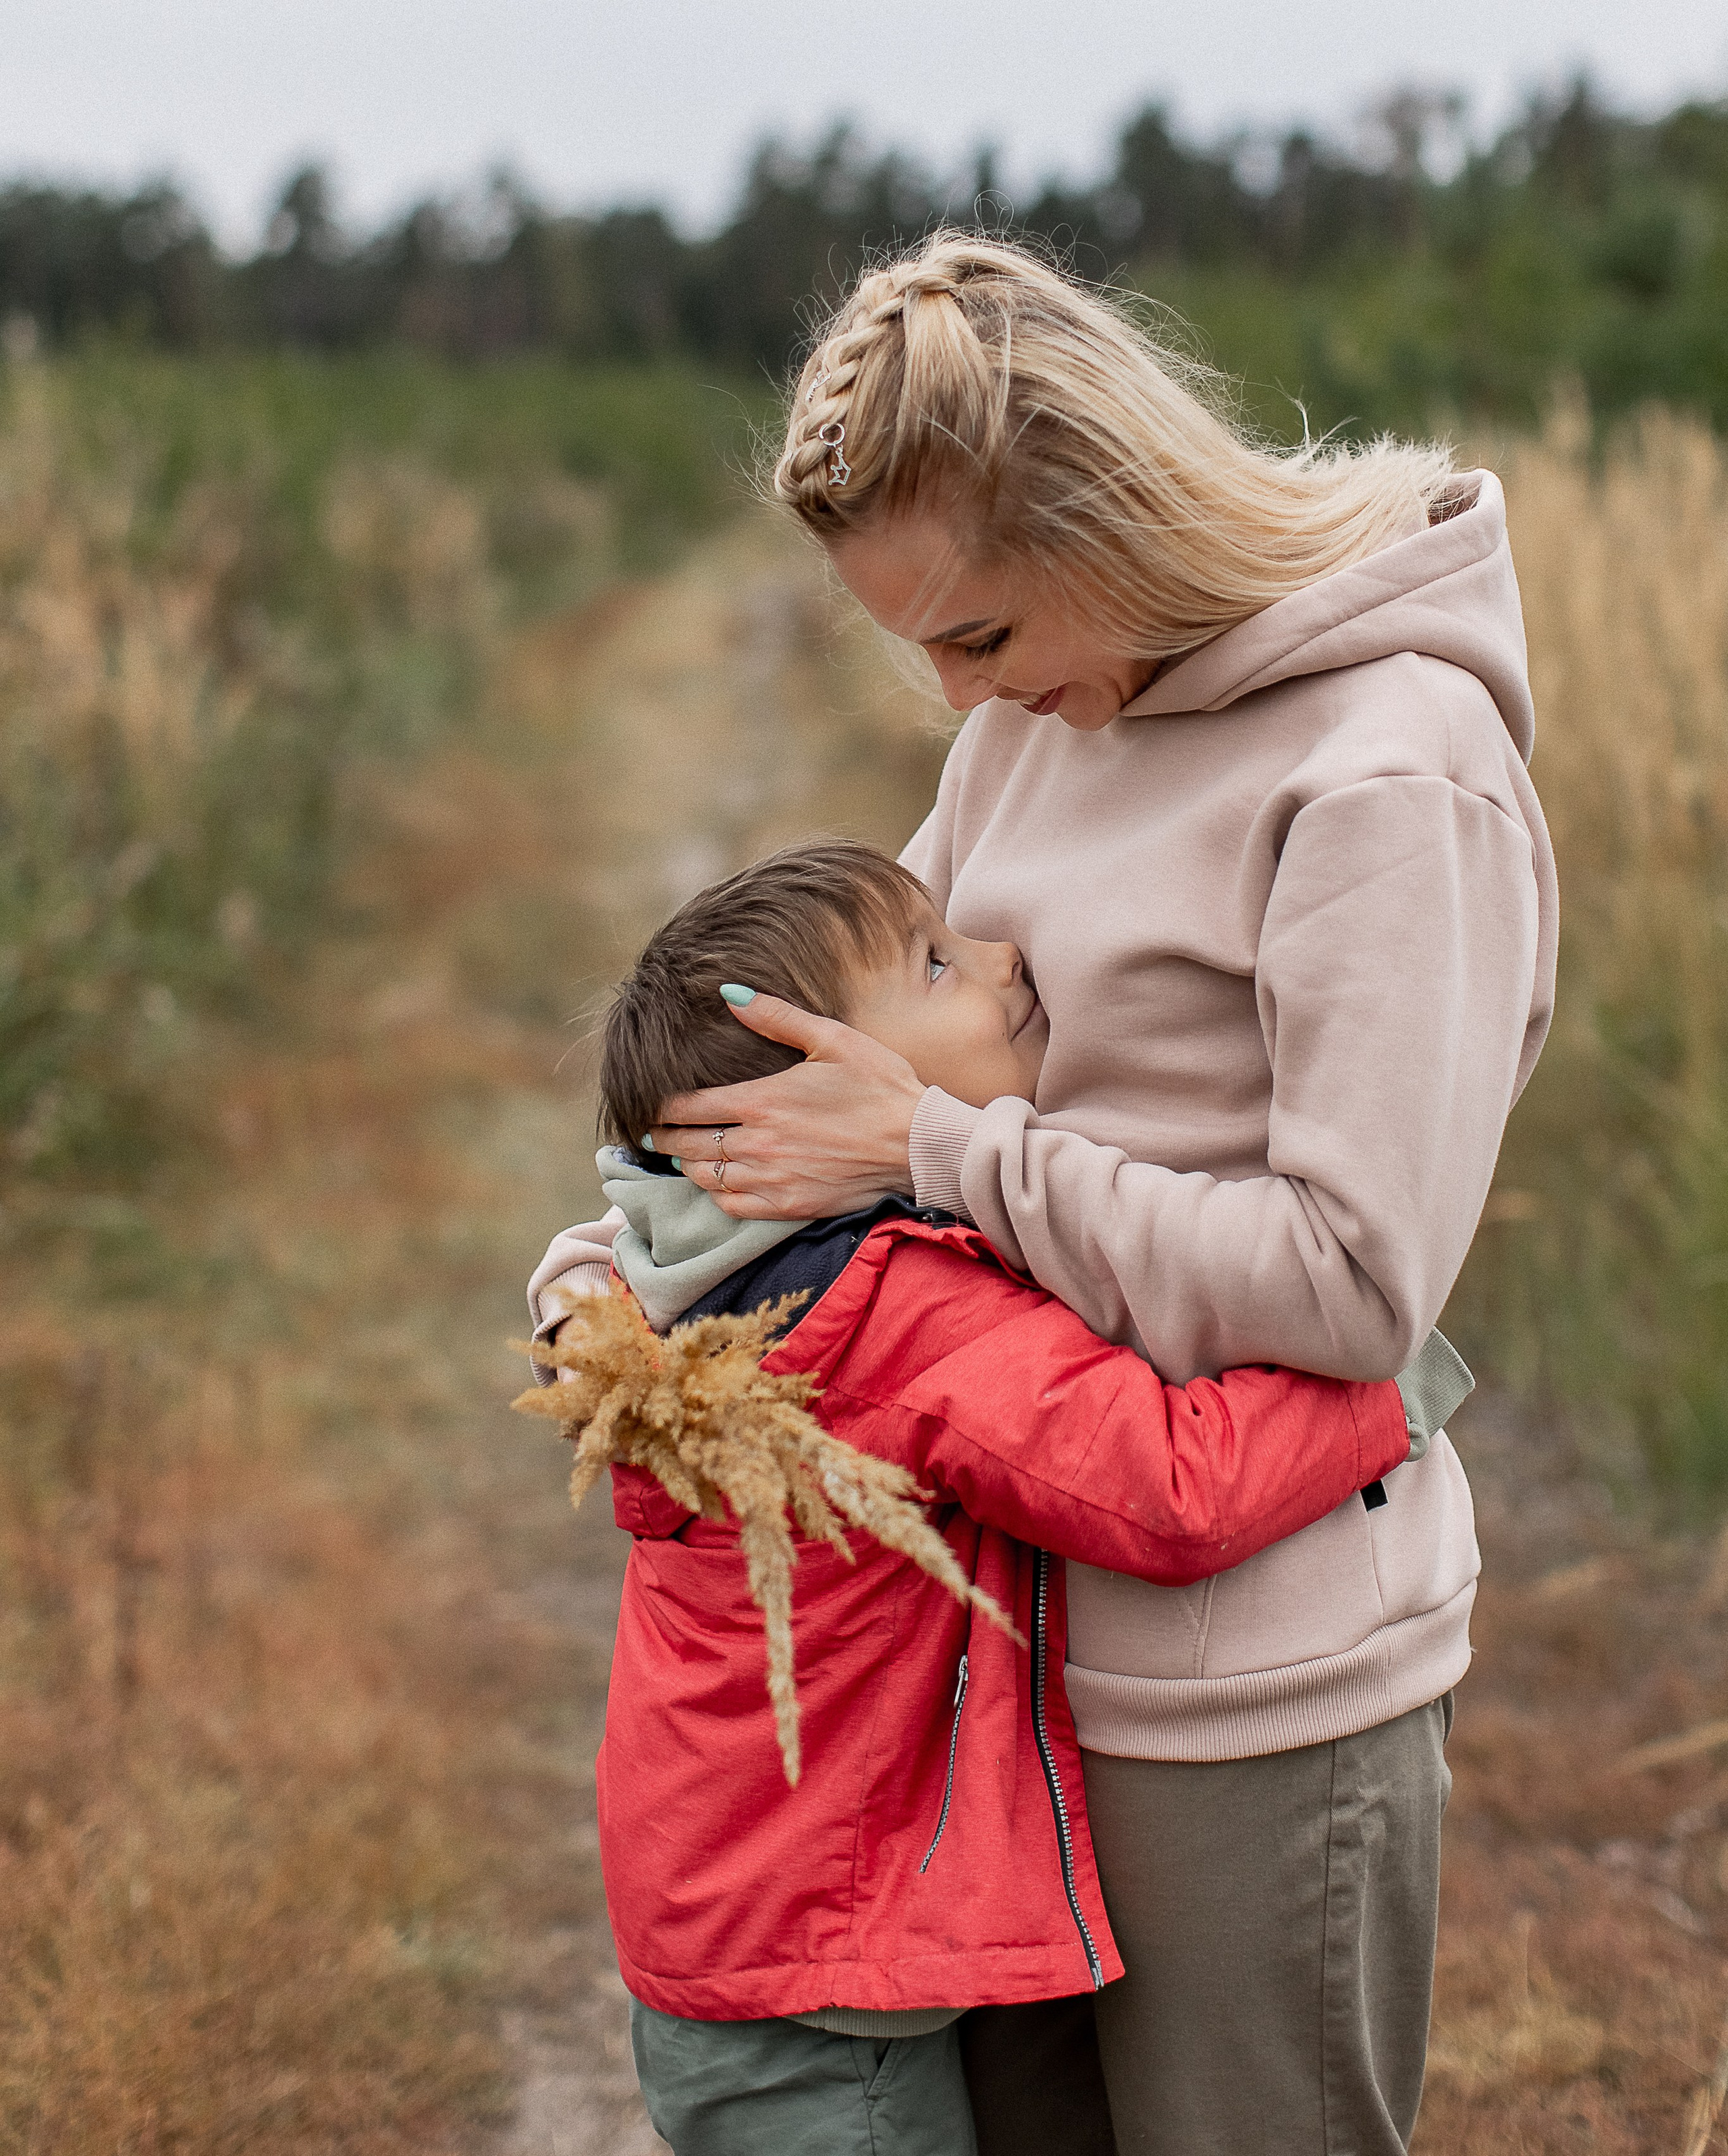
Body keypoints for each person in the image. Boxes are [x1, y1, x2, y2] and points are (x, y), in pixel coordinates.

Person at [575, 236, 1559, 2156]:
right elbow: (822, 1079)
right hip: (990, 1705)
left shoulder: (1392, 769)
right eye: (923, 652)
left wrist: (948, 1162)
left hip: (1255, 1702)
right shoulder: (1033, 729)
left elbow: (1357, 1288)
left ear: (1114, 519)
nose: (958, 699)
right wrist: (619, 1276)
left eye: (984, 635)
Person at [526, 839, 1444, 2156]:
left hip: (728, 1932)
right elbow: (1169, 1492)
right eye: (938, 963)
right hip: (816, 2002)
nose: (1008, 958)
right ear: (817, 1093)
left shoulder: (675, 1279)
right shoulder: (897, 1313)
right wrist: (1379, 1390)